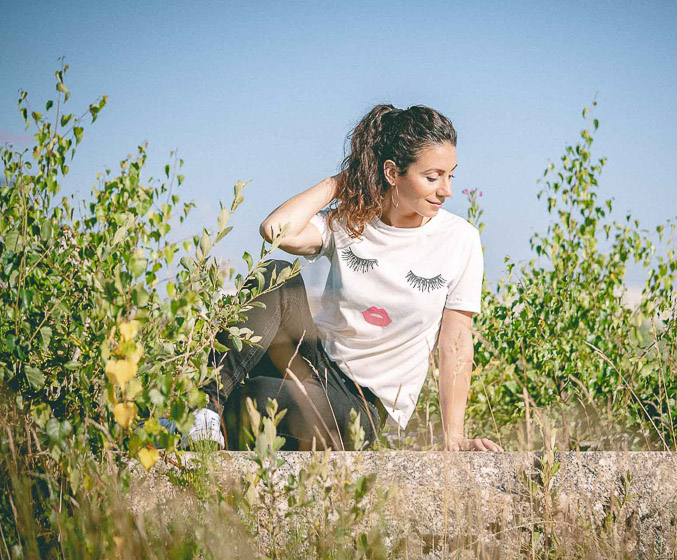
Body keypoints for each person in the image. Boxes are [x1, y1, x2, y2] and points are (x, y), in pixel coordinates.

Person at [188, 104, 502, 452]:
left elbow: (456, 341)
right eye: (432, 177)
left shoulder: (460, 239)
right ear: (392, 172)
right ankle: (203, 410)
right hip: (314, 360)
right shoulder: (351, 220)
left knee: (259, 396)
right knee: (273, 273)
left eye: (450, 175)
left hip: (360, 405)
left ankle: (214, 417)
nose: (447, 190)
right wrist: (338, 184)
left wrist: (454, 436)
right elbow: (274, 230)